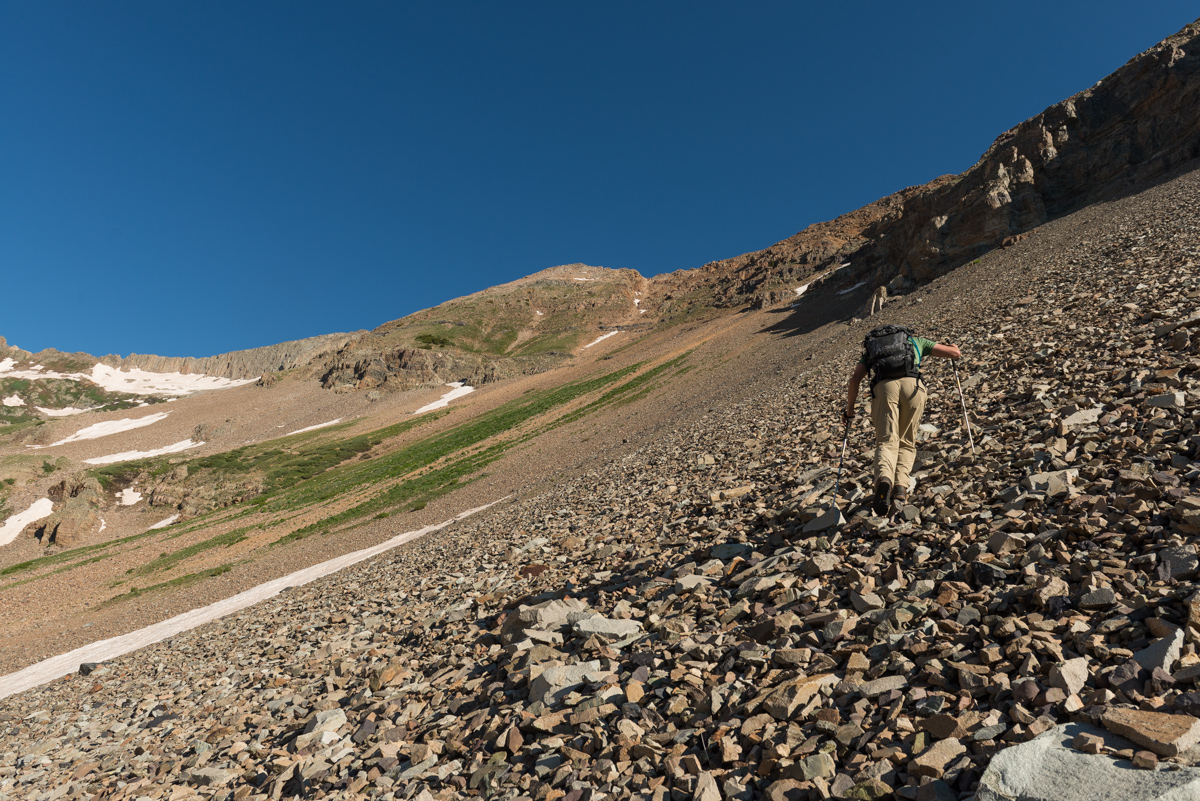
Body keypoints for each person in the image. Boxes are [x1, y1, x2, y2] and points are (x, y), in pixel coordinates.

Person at [842, 325, 962, 516]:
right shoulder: (915, 341)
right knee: (906, 441)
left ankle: (883, 481)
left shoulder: (872, 350)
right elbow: (954, 353)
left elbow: (855, 379)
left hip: (884, 388)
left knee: (887, 442)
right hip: (913, 387)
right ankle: (900, 490)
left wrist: (849, 410)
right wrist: (953, 347)